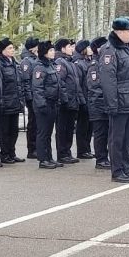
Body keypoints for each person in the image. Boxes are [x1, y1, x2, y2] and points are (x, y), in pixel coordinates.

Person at [99, 18, 129, 183]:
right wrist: (112, 104)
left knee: (128, 139)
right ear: (119, 32)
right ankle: (117, 171)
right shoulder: (110, 51)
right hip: (119, 101)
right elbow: (108, 80)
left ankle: (126, 168)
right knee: (117, 139)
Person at [32, 41, 62, 169]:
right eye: (50, 51)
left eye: (53, 50)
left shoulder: (50, 65)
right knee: (43, 132)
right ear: (44, 53)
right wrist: (41, 104)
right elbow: (37, 88)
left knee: (48, 132)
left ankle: (49, 157)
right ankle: (43, 159)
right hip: (44, 104)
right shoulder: (40, 67)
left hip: (52, 102)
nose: (53, 52)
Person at [0, 38, 25, 164]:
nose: (13, 50)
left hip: (15, 101)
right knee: (5, 131)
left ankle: (12, 153)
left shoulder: (14, 63)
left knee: (14, 130)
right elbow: (0, 85)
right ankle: (5, 154)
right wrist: (2, 101)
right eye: (10, 48)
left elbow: (19, 83)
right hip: (6, 102)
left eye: (13, 48)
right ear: (3, 51)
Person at [54, 39, 83, 164]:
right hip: (64, 102)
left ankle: (67, 151)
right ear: (63, 49)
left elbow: (76, 83)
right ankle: (62, 153)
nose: (72, 49)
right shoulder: (60, 62)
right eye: (69, 47)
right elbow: (60, 82)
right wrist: (65, 99)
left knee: (70, 128)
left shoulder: (70, 62)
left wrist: (80, 99)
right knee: (62, 129)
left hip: (73, 101)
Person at [86, 37, 111, 170]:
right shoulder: (94, 65)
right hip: (98, 104)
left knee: (107, 132)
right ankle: (101, 159)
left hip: (106, 103)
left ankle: (105, 157)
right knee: (100, 133)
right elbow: (94, 86)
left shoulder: (104, 62)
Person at [73, 40, 94, 160]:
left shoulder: (88, 61)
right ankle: (82, 150)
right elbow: (79, 84)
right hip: (84, 98)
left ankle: (87, 149)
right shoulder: (79, 63)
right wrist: (82, 100)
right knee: (82, 126)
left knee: (89, 126)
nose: (91, 49)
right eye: (88, 47)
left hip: (90, 97)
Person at [19, 38, 40, 159]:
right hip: (32, 96)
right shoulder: (27, 61)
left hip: (37, 95)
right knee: (33, 123)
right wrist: (29, 97)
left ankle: (37, 147)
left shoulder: (35, 59)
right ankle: (32, 149)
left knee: (38, 124)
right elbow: (26, 81)